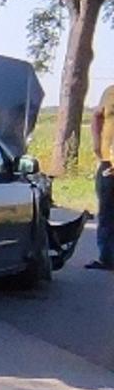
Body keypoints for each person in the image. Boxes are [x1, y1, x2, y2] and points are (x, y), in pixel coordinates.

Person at [90, 83, 114, 270]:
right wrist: (97, 147)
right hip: (108, 163)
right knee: (106, 212)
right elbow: (97, 116)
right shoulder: (110, 92)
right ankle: (107, 257)